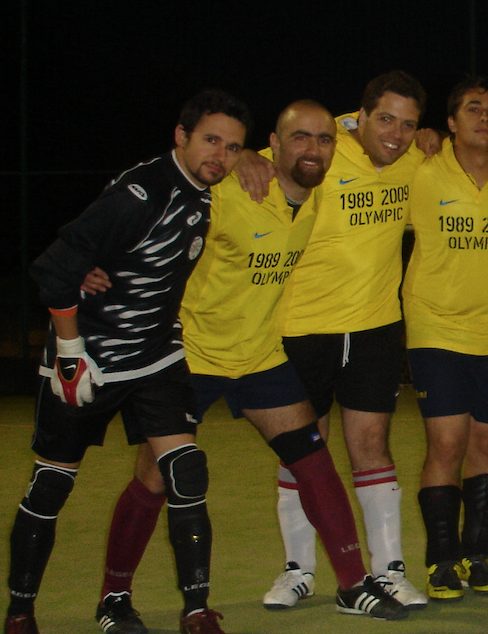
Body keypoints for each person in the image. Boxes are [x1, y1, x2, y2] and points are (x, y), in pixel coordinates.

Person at [82, 100, 410, 627]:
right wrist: (91, 261)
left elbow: (361, 129)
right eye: (299, 138)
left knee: (313, 461)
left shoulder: (320, 195)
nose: (313, 149)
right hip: (190, 356)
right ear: (272, 146)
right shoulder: (228, 191)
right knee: (156, 478)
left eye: (324, 139)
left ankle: (352, 585)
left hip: (259, 354)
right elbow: (142, 213)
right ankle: (113, 597)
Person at [6, 90, 251, 634]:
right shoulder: (142, 193)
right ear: (180, 136)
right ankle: (20, 613)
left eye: (233, 147)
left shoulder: (202, 193)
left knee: (186, 471)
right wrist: (70, 354)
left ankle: (193, 611)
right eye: (211, 140)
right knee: (51, 486)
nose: (221, 156)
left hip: (156, 356)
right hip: (89, 358)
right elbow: (54, 269)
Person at [272, 71, 432, 609]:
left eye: (408, 124)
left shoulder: (416, 157)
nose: (395, 134)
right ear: (359, 118)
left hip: (374, 328)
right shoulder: (324, 146)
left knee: (372, 446)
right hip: (302, 326)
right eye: (384, 119)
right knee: (301, 449)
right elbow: (270, 156)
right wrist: (247, 157)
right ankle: (298, 571)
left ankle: (388, 572)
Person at [406, 77, 488, 601]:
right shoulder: (421, 169)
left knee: (486, 443)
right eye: (473, 108)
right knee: (447, 443)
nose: (485, 116)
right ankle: (441, 561)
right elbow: (360, 133)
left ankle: (476, 554)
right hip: (434, 327)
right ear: (450, 122)